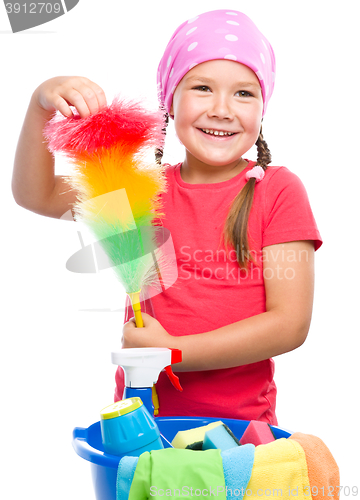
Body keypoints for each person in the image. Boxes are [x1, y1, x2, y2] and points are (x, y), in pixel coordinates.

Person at [12, 10, 322, 425]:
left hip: (241, 435)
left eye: (244, 94)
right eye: (202, 88)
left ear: (263, 109)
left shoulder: (278, 190)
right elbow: (37, 194)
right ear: (169, 102)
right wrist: (39, 105)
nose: (222, 109)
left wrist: (173, 352)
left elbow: (289, 325)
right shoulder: (142, 190)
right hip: (140, 428)